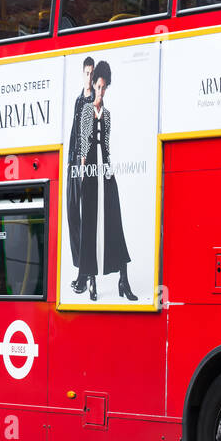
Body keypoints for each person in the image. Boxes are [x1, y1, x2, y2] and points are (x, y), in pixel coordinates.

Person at [67, 57, 134, 301]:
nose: (100, 90)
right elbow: (84, 143)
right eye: (98, 86)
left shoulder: (107, 114)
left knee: (114, 220)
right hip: (88, 171)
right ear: (93, 83)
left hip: (103, 169)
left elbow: (105, 145)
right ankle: (91, 280)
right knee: (89, 226)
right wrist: (84, 171)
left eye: (104, 87)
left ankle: (123, 280)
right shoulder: (85, 110)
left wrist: (108, 169)